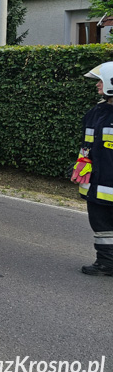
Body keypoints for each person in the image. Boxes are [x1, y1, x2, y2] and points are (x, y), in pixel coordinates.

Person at [72, 62, 113, 276]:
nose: (97, 84)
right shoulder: (97, 111)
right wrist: (80, 164)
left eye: (101, 80)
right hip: (96, 182)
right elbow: (87, 145)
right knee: (101, 224)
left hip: (107, 181)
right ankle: (106, 262)